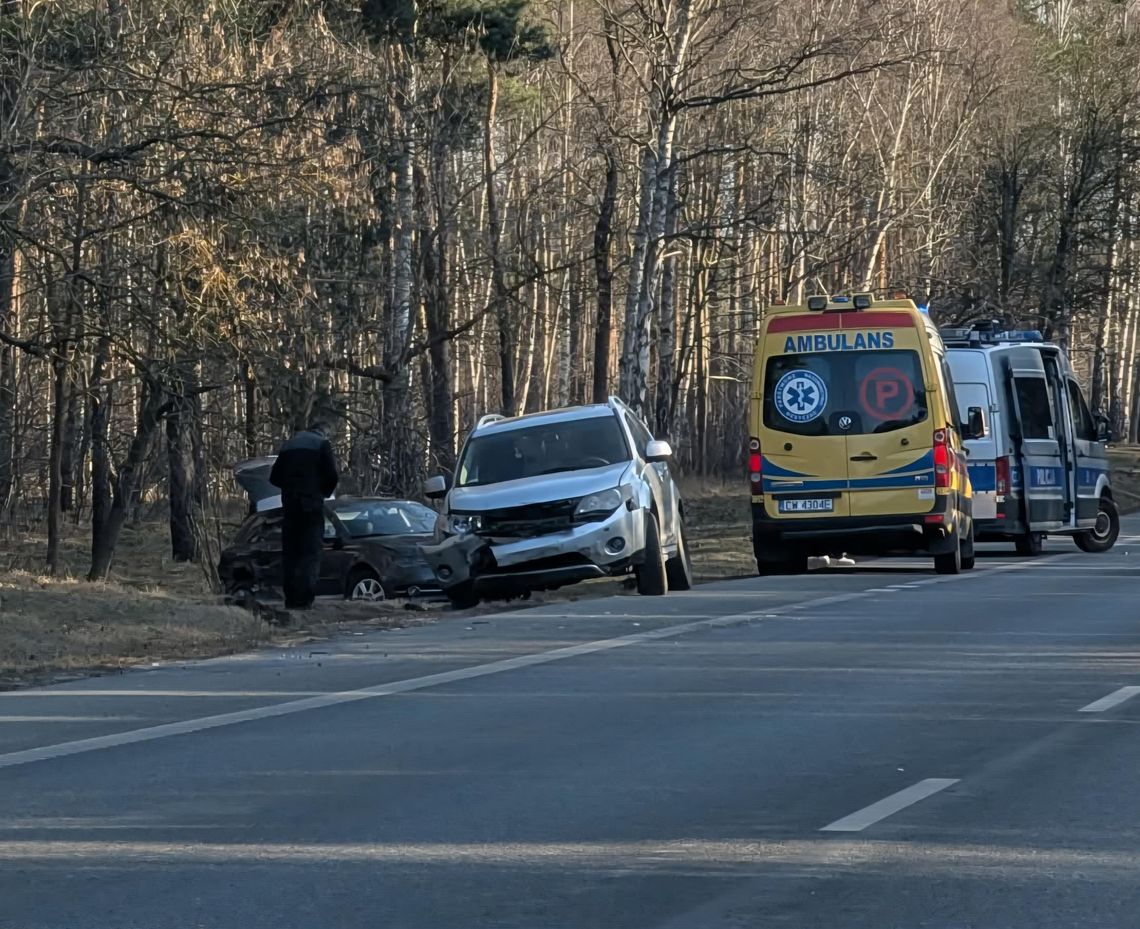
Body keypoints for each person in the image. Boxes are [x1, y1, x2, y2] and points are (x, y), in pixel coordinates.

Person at [269, 421, 339, 609]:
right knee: (310, 553)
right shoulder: (322, 444)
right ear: (323, 431)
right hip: (311, 506)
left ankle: (290, 599)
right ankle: (305, 599)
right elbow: (333, 475)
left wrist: (290, 487)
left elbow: (274, 477)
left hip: (290, 507)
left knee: (291, 553)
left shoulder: (288, 445)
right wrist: (321, 492)